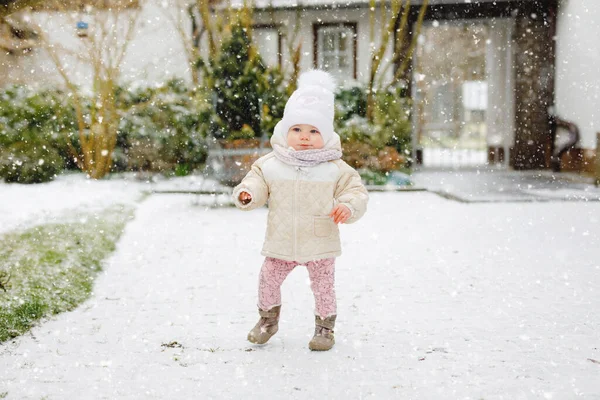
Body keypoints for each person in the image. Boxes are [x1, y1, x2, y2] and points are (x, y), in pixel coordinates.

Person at [232, 70, 368, 351]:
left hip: (319, 240)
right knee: (268, 278)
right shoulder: (271, 163)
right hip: (282, 240)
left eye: (313, 131)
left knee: (323, 287)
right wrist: (248, 194)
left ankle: (324, 328)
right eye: (297, 129)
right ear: (285, 130)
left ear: (326, 134)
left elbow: (355, 192)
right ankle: (267, 321)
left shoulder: (335, 168)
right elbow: (256, 181)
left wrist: (347, 206)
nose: (304, 137)